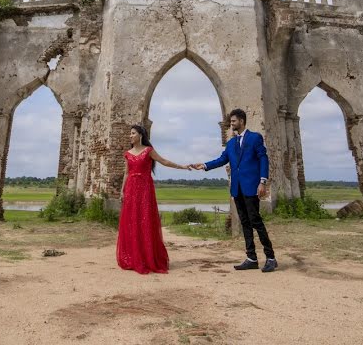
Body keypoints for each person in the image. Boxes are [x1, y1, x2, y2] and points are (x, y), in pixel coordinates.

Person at [190, 108, 277, 272]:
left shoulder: (255, 138)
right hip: (237, 188)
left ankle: (271, 257)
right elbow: (222, 159)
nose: (231, 124)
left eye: (233, 121)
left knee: (255, 221)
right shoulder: (231, 144)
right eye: (230, 122)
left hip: (252, 186)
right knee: (245, 222)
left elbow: (263, 158)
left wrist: (262, 182)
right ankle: (251, 258)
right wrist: (205, 165)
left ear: (242, 121)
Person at [116, 124, 190, 274]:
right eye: (130, 134)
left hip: (145, 190)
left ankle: (147, 257)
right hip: (130, 189)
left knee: (146, 220)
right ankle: (133, 257)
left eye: (132, 133)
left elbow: (164, 161)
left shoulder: (148, 151)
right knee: (132, 221)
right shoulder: (127, 154)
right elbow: (126, 173)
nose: (130, 136)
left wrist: (182, 166)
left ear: (140, 135)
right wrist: (122, 191)